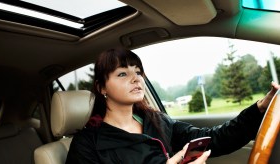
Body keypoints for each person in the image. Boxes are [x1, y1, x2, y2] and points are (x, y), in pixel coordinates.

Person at [66, 47, 280, 164]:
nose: (136, 78)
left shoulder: (156, 120)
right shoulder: (87, 144)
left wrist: (260, 108)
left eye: (138, 72)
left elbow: (213, 138)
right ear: (101, 87)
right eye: (122, 73)